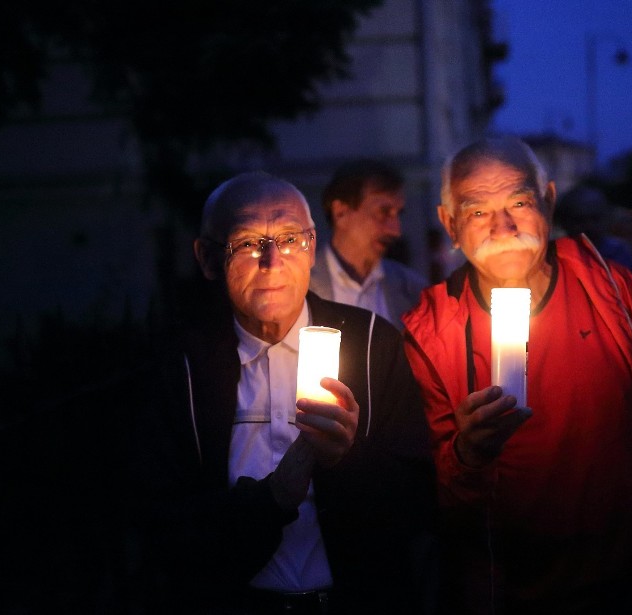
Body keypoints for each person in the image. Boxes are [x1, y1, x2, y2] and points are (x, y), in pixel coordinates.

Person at [402, 137, 632, 614]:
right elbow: (426, 498)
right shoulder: (430, 333)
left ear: (549, 201)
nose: (503, 226)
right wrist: (469, 454)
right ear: (449, 224)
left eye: (519, 202)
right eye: (477, 213)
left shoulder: (613, 290)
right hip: (506, 592)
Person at [129, 171, 437, 614]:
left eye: (290, 238)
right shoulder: (183, 367)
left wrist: (346, 458)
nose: (272, 261)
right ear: (208, 259)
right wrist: (270, 501)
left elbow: (418, 502)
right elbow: (159, 523)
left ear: (312, 247)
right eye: (247, 242)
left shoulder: (372, 344)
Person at [309, 158, 427, 327]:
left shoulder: (414, 291)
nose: (395, 230)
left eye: (398, 214)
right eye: (383, 212)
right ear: (340, 212)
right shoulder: (299, 289)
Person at [555, 184, 632, 274]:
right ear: (564, 222)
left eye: (594, 218)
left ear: (606, 218)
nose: (588, 226)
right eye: (579, 220)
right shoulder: (554, 256)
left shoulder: (620, 253)